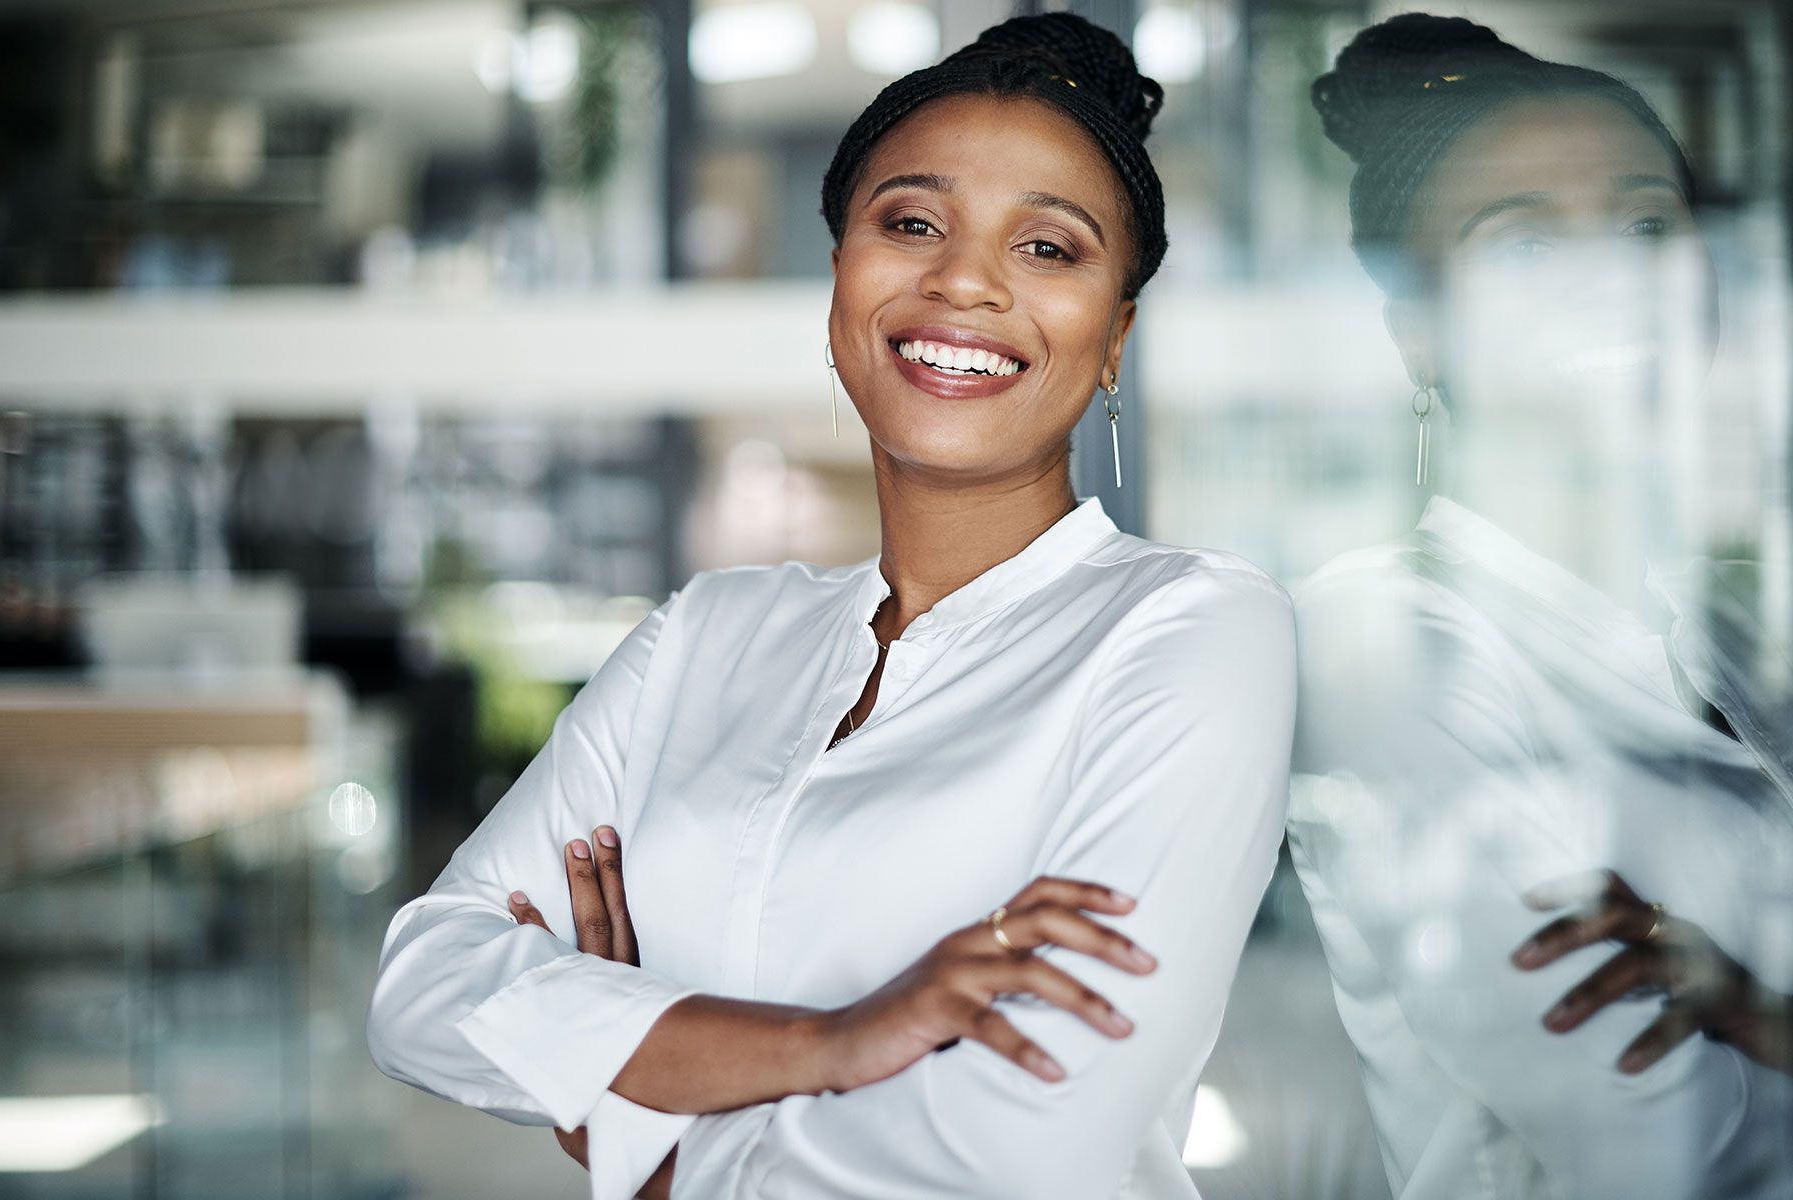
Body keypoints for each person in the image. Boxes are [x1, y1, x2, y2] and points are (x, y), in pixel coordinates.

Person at [364, 12, 1299, 1200]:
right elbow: (426, 984)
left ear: (1115, 338)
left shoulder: (1193, 631)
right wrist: (837, 1041)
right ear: (839, 284)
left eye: (1049, 249)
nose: (963, 279)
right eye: (911, 223)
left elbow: (1031, 1140)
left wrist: (636, 1110)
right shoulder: (706, 635)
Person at [1286, 12, 1793, 1200]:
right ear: (1420, 336)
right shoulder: (1384, 640)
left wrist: (1765, 1020)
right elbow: (1662, 1150)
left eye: (1647, 223)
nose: (1610, 276)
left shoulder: (1726, 636)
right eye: (1520, 244)